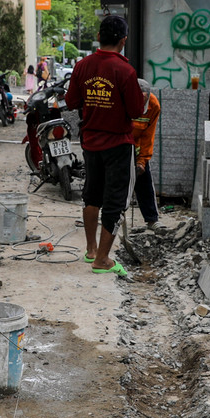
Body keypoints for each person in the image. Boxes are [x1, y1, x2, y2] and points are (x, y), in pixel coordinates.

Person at [65, 14, 144, 276]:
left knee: (92, 194)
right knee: (115, 201)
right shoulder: (125, 71)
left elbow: (71, 101)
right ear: (123, 40)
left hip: (90, 142)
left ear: (99, 37)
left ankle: (90, 249)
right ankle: (102, 259)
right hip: (118, 144)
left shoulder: (82, 66)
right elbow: (134, 111)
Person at [131, 79, 162, 230]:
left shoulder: (153, 105)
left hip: (137, 148)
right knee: (106, 182)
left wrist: (141, 161)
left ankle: (152, 219)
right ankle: (93, 214)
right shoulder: (119, 101)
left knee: (144, 181)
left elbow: (148, 135)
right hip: (116, 144)